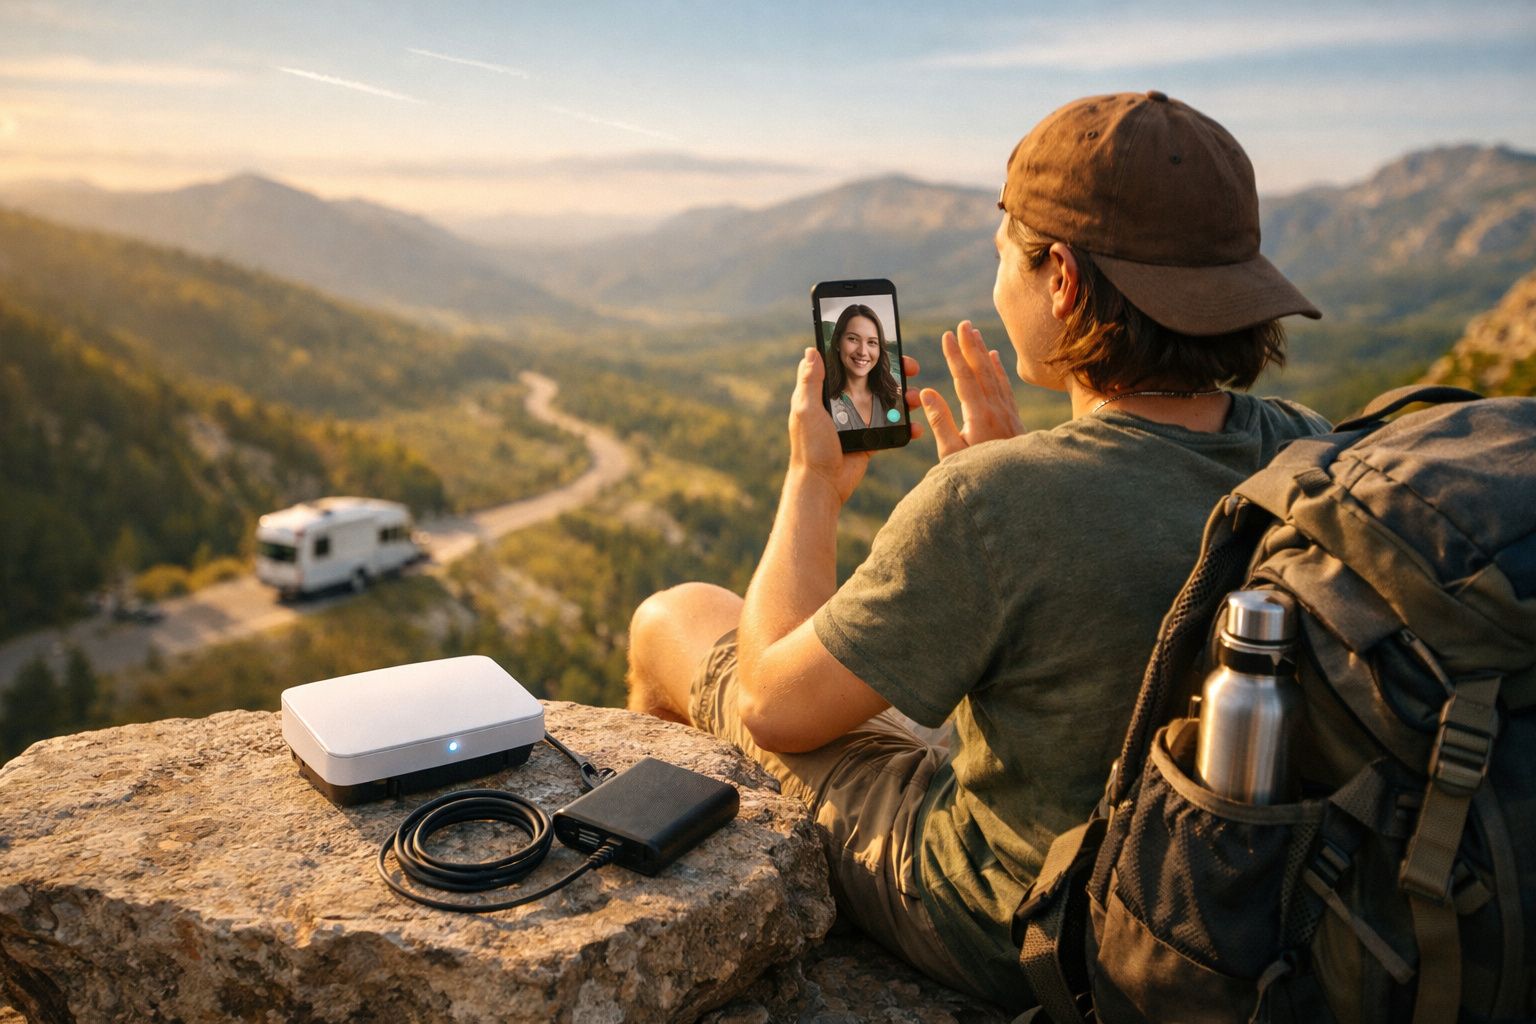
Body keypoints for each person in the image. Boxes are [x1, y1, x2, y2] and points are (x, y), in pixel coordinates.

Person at [625, 90, 1329, 1010]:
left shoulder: (993, 503)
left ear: (1064, 280)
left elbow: (771, 707)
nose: (997, 277)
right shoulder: (1314, 449)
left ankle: (641, 879)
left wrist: (812, 484)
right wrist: (1008, 487)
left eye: (1004, 251)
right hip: (1240, 910)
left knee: (671, 618)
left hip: (1022, 921)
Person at [824, 304, 900, 431]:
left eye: (872, 342)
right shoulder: (824, 402)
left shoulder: (893, 398)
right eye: (853, 339)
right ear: (837, 343)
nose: (862, 351)